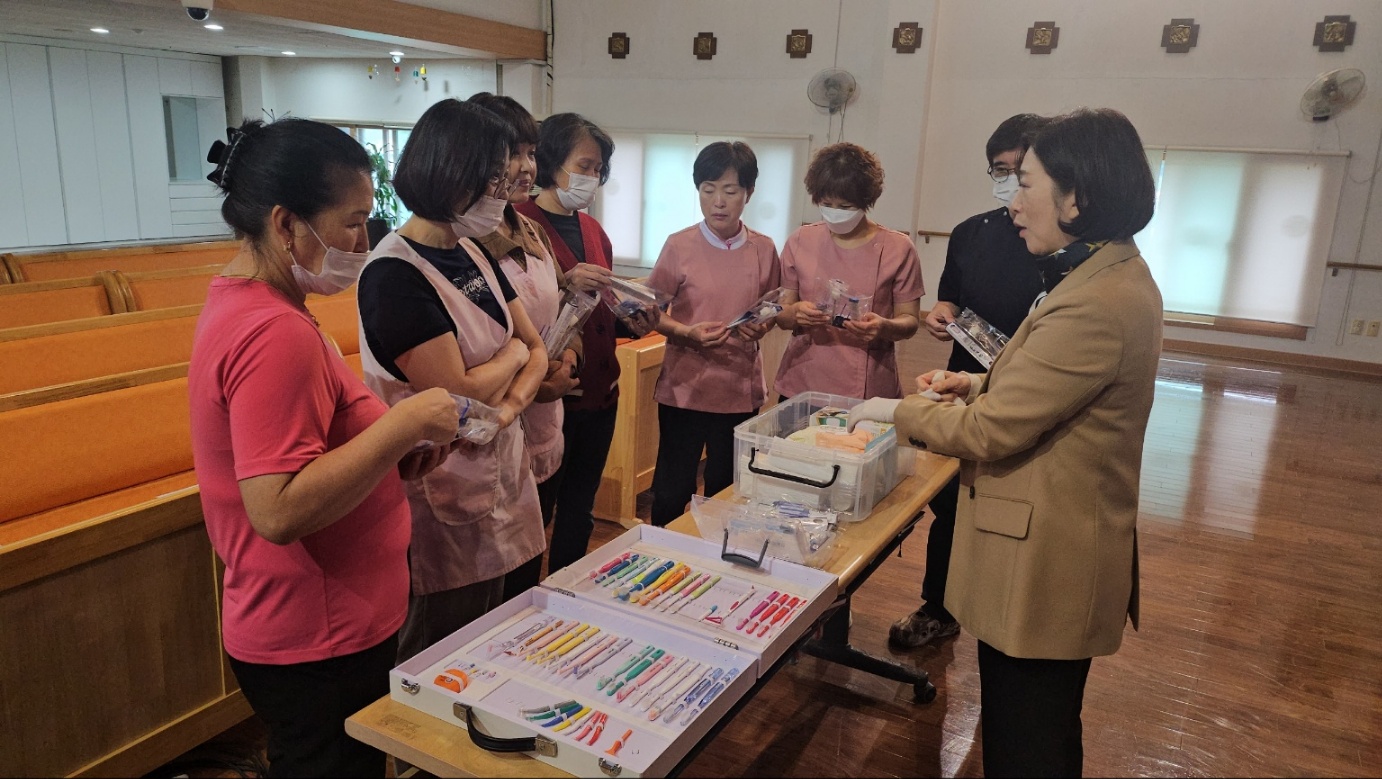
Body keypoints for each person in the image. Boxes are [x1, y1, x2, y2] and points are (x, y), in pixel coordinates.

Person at [850, 108, 1162, 777]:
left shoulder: (1095, 302)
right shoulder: (1101, 273)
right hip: (1050, 545)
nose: (1013, 204)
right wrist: (977, 384)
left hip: (1051, 557)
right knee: (1030, 726)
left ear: (1077, 196)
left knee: (1029, 740)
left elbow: (995, 434)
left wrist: (897, 411)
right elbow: (1039, 389)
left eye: (1026, 185)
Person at [189, 118, 460, 777]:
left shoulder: (262, 305)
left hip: (326, 623)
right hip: (314, 632)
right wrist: (402, 423)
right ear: (287, 224)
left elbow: (307, 452)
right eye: (352, 222)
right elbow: (277, 508)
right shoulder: (271, 332)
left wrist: (385, 460)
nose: (364, 242)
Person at [356, 99, 549, 662]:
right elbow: (456, 394)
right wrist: (512, 360)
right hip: (442, 483)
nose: (502, 189)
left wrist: (507, 404)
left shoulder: (470, 250)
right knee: (441, 652)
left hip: (504, 470)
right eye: (491, 177)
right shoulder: (394, 273)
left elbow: (536, 346)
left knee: (500, 638)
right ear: (449, 175)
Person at [888, 114, 1048, 650]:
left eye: (1020, 172)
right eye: (999, 171)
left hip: (1026, 389)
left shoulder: (1058, 247)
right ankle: (940, 607)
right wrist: (942, 313)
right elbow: (950, 297)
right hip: (963, 381)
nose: (1010, 184)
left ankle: (1004, 616)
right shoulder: (971, 233)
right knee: (952, 504)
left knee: (1011, 506)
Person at [517, 113, 655, 572]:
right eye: (585, 165)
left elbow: (598, 309)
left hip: (600, 392)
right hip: (550, 394)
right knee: (539, 510)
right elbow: (520, 308)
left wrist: (629, 322)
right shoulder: (520, 223)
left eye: (599, 170)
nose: (592, 178)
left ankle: (566, 590)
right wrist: (565, 281)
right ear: (551, 162)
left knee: (581, 507)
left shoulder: (593, 230)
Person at [465, 93, 583, 599]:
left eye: (531, 153)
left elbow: (564, 308)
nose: (525, 167)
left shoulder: (530, 229)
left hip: (545, 418)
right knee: (488, 574)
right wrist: (536, 378)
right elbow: (472, 351)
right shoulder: (465, 238)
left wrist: (569, 358)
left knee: (529, 558)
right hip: (496, 424)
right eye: (512, 153)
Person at [645, 141, 780, 527]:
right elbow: (652, 312)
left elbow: (771, 310)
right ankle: (663, 562)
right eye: (708, 189)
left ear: (748, 194)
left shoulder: (764, 249)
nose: (718, 201)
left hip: (738, 393)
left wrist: (762, 325)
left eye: (730, 191)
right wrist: (686, 333)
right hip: (684, 390)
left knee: (726, 492)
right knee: (672, 489)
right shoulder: (679, 245)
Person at [773, 142, 923, 401]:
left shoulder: (897, 248)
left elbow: (909, 321)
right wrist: (795, 313)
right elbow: (781, 314)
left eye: (845, 207)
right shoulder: (801, 240)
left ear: (866, 201)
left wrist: (884, 326)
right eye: (827, 203)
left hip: (868, 386)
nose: (835, 213)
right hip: (803, 379)